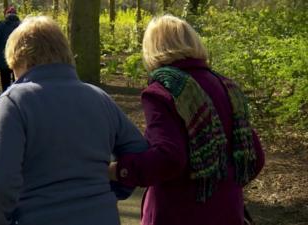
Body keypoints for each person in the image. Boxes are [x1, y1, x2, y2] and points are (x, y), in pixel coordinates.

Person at [0, 16, 147, 225]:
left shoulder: (15, 101)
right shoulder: (99, 98)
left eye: (14, 70)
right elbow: (140, 152)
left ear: (22, 60)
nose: (14, 77)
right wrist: (113, 188)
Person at [109, 15, 265, 225]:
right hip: (229, 213)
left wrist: (119, 170)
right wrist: (223, 186)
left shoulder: (162, 91)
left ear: (152, 49)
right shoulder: (227, 87)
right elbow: (254, 158)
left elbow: (169, 159)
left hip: (178, 213)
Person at [0, 6, 20, 92]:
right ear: (16, 14)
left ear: (6, 14)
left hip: (3, 56)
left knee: (5, 80)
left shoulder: (1, 25)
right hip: (18, 56)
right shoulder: (21, 25)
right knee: (17, 78)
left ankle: (6, 96)